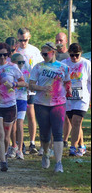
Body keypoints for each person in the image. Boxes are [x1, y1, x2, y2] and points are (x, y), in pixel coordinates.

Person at [29, 42, 72, 173]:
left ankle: (59, 163)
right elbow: (31, 85)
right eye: (42, 53)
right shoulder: (38, 67)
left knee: (58, 132)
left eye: (45, 53)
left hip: (58, 103)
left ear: (53, 52)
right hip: (41, 103)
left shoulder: (63, 67)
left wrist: (68, 88)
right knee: (45, 133)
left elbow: (67, 81)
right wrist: (41, 88)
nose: (43, 56)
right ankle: (46, 152)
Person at [0, 43, 25, 172]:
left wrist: (14, 83)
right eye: (0, 55)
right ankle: (2, 161)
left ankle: (5, 156)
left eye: (5, 55)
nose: (3, 57)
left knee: (7, 137)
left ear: (8, 55)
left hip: (9, 105)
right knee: (0, 134)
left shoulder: (13, 67)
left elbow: (23, 82)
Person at [16, 27, 43, 154]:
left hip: (31, 86)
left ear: (29, 37)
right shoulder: (15, 51)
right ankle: (19, 142)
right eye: (20, 40)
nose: (23, 43)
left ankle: (32, 142)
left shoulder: (35, 51)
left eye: (25, 40)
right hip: (17, 87)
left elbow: (40, 68)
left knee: (31, 113)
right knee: (18, 116)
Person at [62, 43, 91, 157]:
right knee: (74, 123)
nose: (74, 58)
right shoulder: (64, 64)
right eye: (72, 55)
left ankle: (72, 147)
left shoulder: (86, 64)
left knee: (76, 121)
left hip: (82, 97)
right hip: (69, 97)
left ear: (81, 54)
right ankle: (82, 146)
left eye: (76, 55)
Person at [10, 53, 30, 160]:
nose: (22, 64)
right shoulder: (10, 70)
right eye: (19, 62)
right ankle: (14, 145)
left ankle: (20, 149)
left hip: (22, 99)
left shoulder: (26, 72)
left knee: (20, 123)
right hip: (11, 99)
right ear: (13, 62)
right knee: (12, 124)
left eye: (23, 62)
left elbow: (28, 84)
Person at [56, 32, 72, 148]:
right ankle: (57, 137)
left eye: (61, 40)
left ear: (66, 41)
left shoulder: (69, 56)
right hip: (55, 89)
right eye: (57, 40)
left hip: (67, 87)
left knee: (67, 115)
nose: (59, 43)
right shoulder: (53, 55)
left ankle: (65, 139)